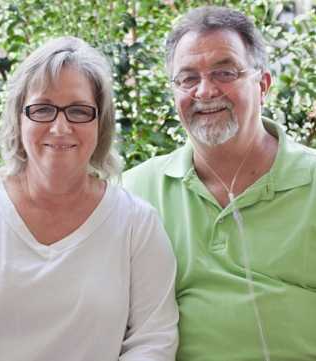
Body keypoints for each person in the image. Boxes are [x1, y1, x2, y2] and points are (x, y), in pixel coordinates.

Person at [0, 36, 178, 361]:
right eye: (43, 109)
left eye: (79, 111)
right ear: (18, 119)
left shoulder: (137, 223)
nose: (60, 126)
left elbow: (154, 339)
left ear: (100, 123)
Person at [123, 6, 316, 361]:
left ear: (263, 85)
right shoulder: (135, 192)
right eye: (187, 78)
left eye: (224, 72)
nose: (205, 91)